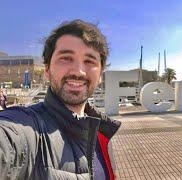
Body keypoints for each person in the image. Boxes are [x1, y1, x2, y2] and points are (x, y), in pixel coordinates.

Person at [0, 20, 121, 180]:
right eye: (66, 58)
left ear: (100, 76)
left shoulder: (101, 132)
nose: (78, 71)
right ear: (47, 70)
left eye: (89, 61)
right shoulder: (24, 127)